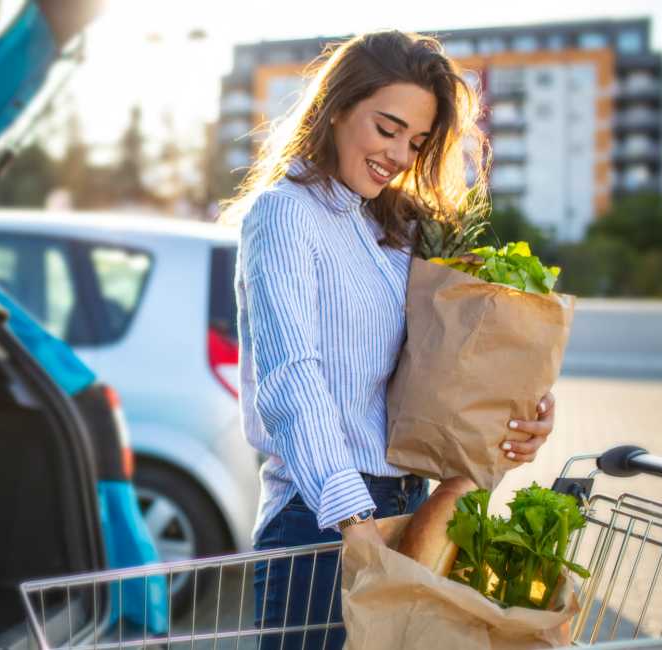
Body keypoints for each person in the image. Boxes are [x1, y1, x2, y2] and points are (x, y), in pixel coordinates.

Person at [222, 31, 557, 650]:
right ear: (338, 107)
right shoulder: (284, 214)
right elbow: (291, 375)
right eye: (387, 127)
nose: (400, 153)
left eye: (417, 141)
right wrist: (353, 518)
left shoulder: (393, 229)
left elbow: (440, 364)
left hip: (412, 505)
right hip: (325, 522)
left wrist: (517, 413)